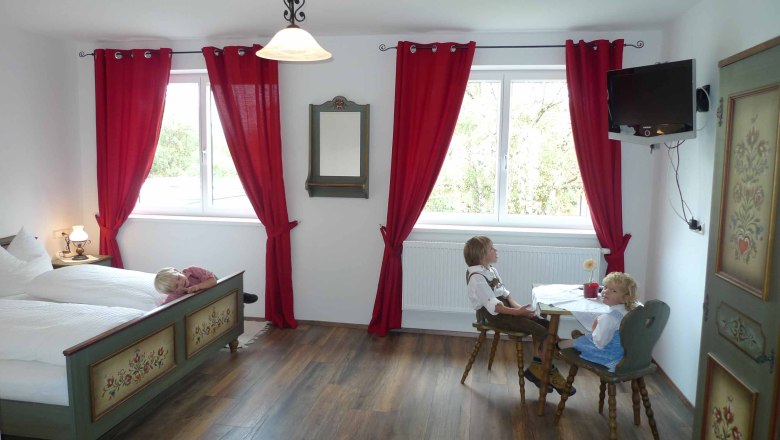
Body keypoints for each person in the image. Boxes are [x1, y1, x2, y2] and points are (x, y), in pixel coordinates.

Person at [464, 236, 574, 395]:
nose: (496, 250)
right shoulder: (477, 278)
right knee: (543, 333)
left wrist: (522, 310)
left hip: (507, 309)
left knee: (544, 323)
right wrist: (518, 313)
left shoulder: (491, 270)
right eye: (492, 248)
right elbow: (496, 307)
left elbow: (507, 296)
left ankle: (537, 366)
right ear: (482, 255)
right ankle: (550, 370)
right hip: (495, 315)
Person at [559, 271, 639, 372]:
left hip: (609, 356)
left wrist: (595, 328)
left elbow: (599, 343)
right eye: (605, 287)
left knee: (564, 344)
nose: (606, 292)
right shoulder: (629, 311)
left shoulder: (608, 318)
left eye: (613, 291)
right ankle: (580, 338)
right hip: (624, 353)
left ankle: (558, 349)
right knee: (584, 338)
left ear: (625, 298)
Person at [155, 266, 258, 305]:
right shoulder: (173, 296)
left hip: (213, 286)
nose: (181, 283)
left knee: (221, 287)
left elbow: (212, 281)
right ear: (172, 292)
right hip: (204, 302)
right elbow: (164, 308)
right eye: (176, 286)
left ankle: (240, 295)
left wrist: (197, 287)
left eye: (178, 278)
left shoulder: (192, 271)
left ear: (177, 271)